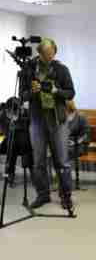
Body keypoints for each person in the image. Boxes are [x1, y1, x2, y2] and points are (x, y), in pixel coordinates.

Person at [20, 38, 75, 210]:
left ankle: (66, 196)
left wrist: (56, 90)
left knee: (63, 162)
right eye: (46, 54)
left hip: (58, 120)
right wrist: (32, 91)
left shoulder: (61, 69)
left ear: (55, 52)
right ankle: (43, 195)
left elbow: (71, 93)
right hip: (37, 120)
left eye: (52, 54)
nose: (49, 57)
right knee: (39, 161)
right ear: (40, 53)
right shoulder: (29, 69)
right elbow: (22, 95)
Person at [0, 97, 33, 186]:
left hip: (21, 142)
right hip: (6, 141)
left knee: (19, 143)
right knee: (11, 144)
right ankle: (8, 174)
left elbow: (27, 129)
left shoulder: (24, 114)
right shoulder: (3, 115)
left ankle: (10, 174)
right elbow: (2, 132)